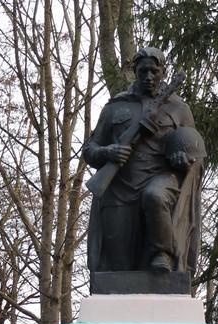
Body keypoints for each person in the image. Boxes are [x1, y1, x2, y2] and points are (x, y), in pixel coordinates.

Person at [82, 46, 204, 275]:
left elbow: (193, 151)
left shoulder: (179, 109)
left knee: (154, 196)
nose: (148, 77)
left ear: (163, 72)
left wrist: (183, 160)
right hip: (120, 186)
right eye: (143, 71)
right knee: (118, 269)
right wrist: (109, 152)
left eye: (154, 71)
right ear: (134, 71)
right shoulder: (115, 106)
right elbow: (90, 150)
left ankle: (163, 253)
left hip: (162, 179)